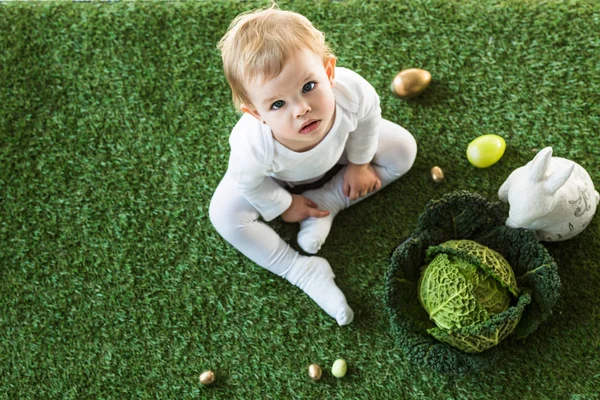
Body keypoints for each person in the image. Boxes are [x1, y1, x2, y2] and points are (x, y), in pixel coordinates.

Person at [209, 4, 417, 326]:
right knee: (223, 215)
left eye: (309, 86)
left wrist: (359, 164)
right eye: (277, 104)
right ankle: (300, 270)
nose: (302, 109)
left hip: (340, 155)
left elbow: (368, 118)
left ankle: (330, 200)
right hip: (279, 180)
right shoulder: (252, 145)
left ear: (329, 72)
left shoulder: (350, 91)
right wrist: (284, 204)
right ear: (256, 114)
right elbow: (248, 182)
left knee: (403, 150)